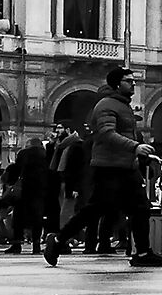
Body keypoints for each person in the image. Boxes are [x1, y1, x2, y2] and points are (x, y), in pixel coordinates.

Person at [47, 67, 145, 268]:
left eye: (133, 80)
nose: (133, 83)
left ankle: (143, 252)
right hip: (108, 167)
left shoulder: (124, 106)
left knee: (141, 208)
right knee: (95, 210)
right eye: (129, 80)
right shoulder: (106, 106)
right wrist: (135, 147)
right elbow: (106, 134)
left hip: (126, 167)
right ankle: (57, 240)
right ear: (117, 84)